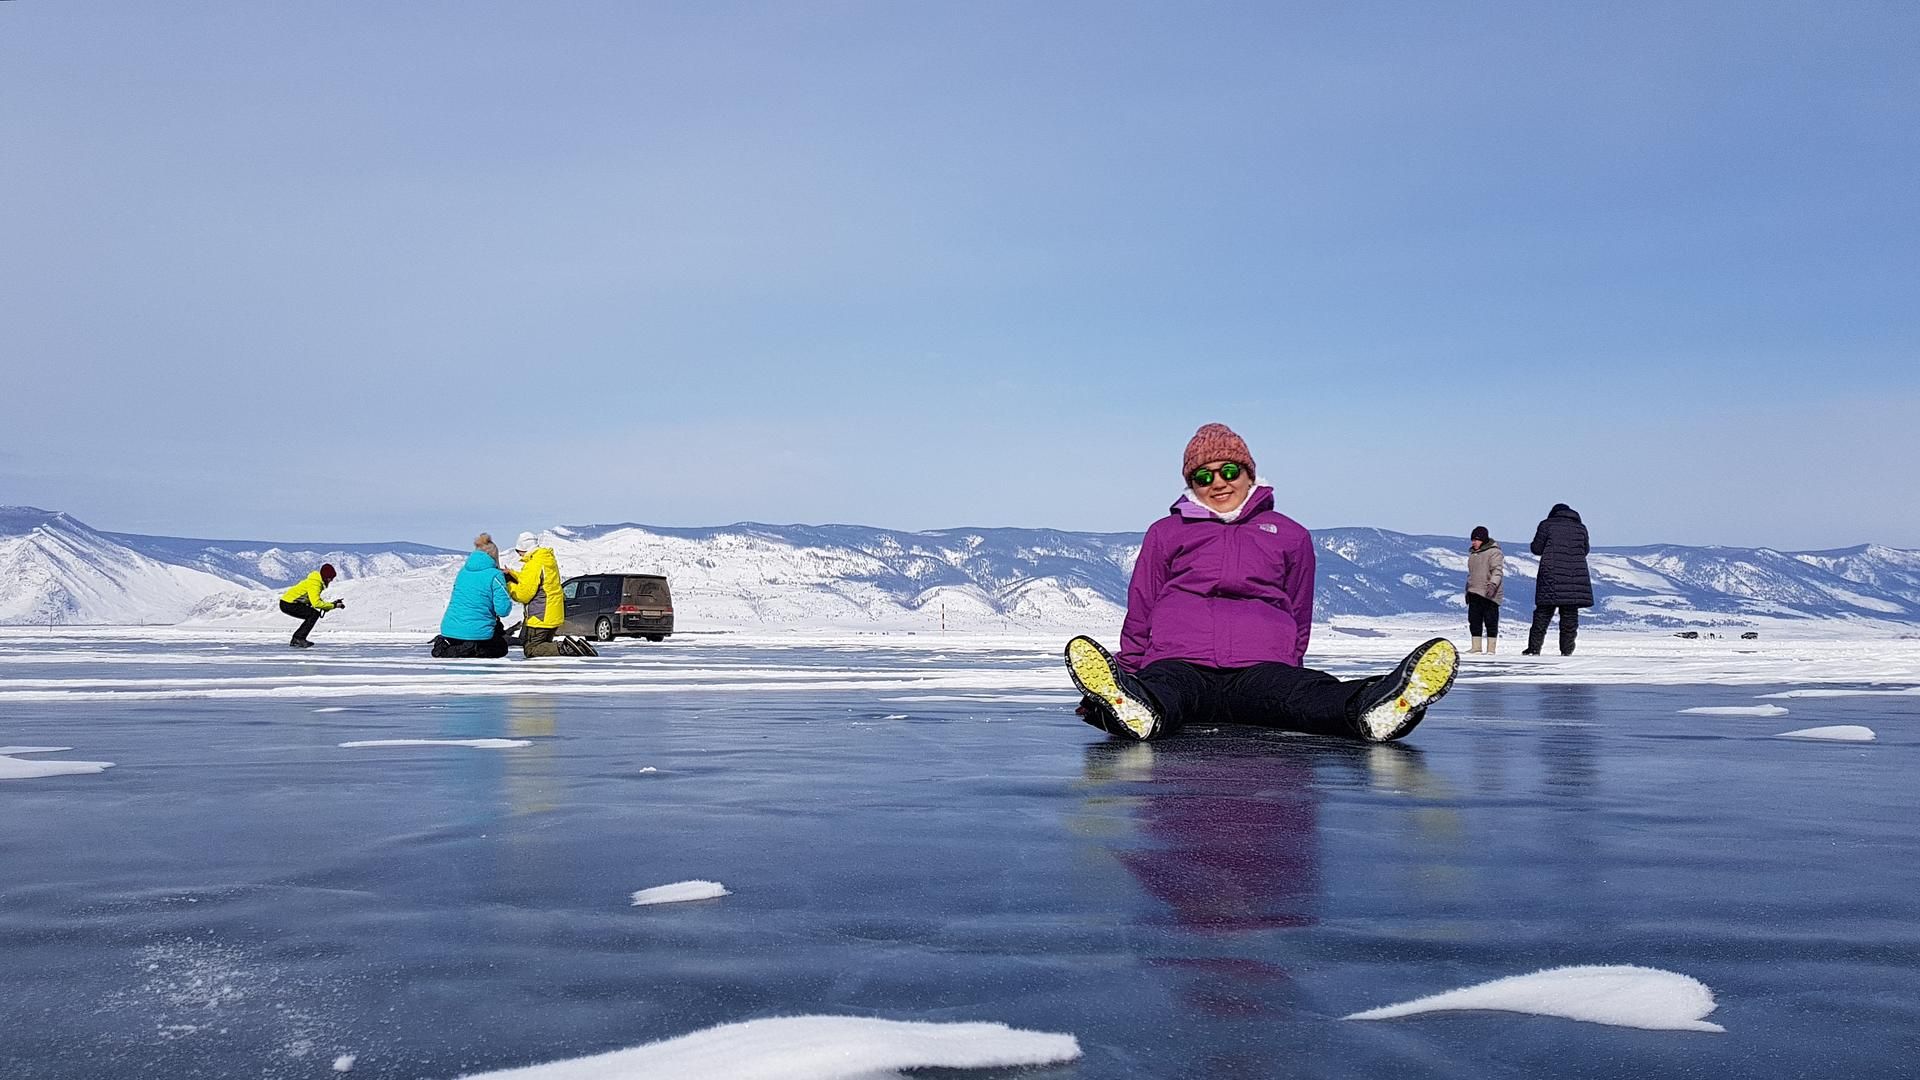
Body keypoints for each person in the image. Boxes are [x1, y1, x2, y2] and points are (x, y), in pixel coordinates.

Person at [1063, 423, 1458, 743]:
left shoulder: (1290, 535)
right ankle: (1126, 703)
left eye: (1229, 471)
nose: (1218, 483)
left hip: (1260, 666)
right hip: (1179, 661)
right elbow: (1143, 605)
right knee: (1161, 694)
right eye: (1204, 477)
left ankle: (1379, 706)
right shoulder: (1166, 532)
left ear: (1249, 473)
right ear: (1191, 485)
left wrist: (1289, 666)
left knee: (1308, 696)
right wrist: (1129, 672)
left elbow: (1298, 610)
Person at [1523, 503, 1593, 656]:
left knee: (1542, 614)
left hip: (1550, 576)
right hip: (1574, 578)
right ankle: (1567, 651)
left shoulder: (1546, 525)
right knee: (1569, 617)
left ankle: (1534, 649)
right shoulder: (1581, 528)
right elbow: (1585, 550)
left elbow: (1536, 548)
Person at [432, 534, 512, 658]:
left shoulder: (463, 572)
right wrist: (508, 587)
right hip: (478, 634)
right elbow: (503, 610)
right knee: (500, 648)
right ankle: (469, 649)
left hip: (449, 630)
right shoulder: (495, 575)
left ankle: (450, 646)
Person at [506, 531, 566, 658]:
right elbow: (533, 580)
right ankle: (567, 648)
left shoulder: (533, 564)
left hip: (540, 615)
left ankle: (565, 648)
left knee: (531, 649)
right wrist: (512, 574)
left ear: (524, 549)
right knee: (543, 647)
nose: (519, 555)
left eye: (518, 551)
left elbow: (524, 594)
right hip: (552, 613)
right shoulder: (546, 559)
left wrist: (509, 585)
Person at [279, 563, 342, 648]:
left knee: (313, 613)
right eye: (330, 578)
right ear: (326, 577)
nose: (331, 580)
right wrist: (334, 606)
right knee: (313, 614)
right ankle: (298, 639)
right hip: (288, 603)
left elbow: (316, 601)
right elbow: (316, 603)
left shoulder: (315, 582)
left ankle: (297, 638)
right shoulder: (315, 584)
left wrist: (332, 604)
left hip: (288, 602)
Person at [1466, 525, 1504, 654]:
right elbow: (1471, 573)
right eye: (1472, 540)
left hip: (1489, 593)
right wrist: (1468, 588)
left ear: (1483, 540)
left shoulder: (1494, 552)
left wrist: (1493, 584)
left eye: (1476, 540)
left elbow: (1497, 571)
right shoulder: (1473, 554)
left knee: (1490, 620)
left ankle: (1491, 649)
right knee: (1474, 620)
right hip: (1474, 592)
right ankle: (1476, 647)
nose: (1474, 542)